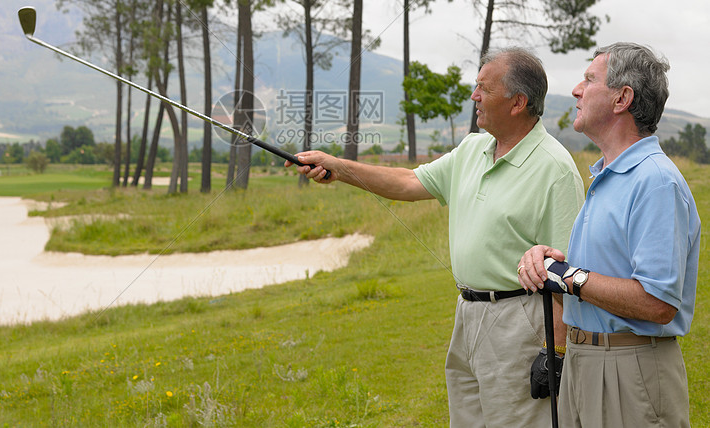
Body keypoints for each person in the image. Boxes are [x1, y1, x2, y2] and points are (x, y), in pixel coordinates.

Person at [290, 48, 585, 427]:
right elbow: (411, 181)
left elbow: (564, 272)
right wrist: (339, 167)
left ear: (518, 102)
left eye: (483, 88)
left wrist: (556, 351)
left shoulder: (555, 169)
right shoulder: (473, 148)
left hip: (520, 322)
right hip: (467, 314)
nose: (474, 97)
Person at [518, 42, 701, 427]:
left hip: (630, 370)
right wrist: (554, 265)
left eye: (589, 79)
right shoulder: (607, 177)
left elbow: (658, 301)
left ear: (622, 98)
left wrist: (570, 277)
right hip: (585, 364)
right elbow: (602, 275)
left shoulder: (655, 181)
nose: (576, 90)